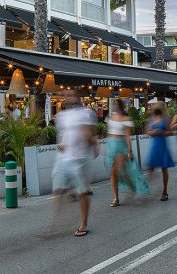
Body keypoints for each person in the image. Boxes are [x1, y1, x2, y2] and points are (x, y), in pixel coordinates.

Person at [51, 89, 98, 237]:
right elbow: (64, 134)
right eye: (67, 94)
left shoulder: (86, 113)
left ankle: (84, 223)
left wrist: (94, 144)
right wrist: (61, 145)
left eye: (71, 94)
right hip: (64, 158)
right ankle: (53, 224)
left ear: (78, 97)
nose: (69, 96)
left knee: (83, 193)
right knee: (58, 190)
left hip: (81, 158)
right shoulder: (62, 116)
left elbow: (91, 133)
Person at [106, 99, 148, 207]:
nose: (114, 106)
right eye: (113, 104)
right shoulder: (110, 118)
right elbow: (109, 134)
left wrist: (129, 150)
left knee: (125, 171)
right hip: (112, 147)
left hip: (121, 147)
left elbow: (128, 137)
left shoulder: (127, 119)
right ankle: (116, 198)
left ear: (120, 106)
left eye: (116, 104)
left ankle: (133, 186)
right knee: (113, 173)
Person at [145, 106, 175, 201]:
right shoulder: (151, 120)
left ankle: (165, 191)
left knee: (164, 169)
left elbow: (171, 133)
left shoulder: (165, 120)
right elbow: (148, 133)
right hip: (154, 146)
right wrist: (154, 132)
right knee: (150, 168)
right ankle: (145, 188)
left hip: (163, 146)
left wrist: (162, 132)